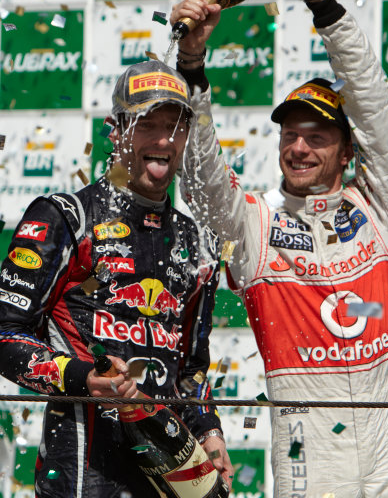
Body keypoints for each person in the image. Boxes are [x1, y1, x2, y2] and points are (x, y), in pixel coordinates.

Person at [169, 0, 388, 498]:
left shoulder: (377, 204)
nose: (300, 146)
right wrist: (193, 67)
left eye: (318, 135)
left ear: (346, 152)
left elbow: (374, 102)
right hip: (312, 463)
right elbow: (202, 177)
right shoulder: (255, 225)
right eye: (290, 134)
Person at [0, 60, 233, 498]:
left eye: (175, 126)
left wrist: (210, 433)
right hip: (81, 474)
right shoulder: (67, 217)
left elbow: (190, 370)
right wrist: (82, 376)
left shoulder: (199, 242)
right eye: (148, 124)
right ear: (115, 130)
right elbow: (5, 334)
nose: (163, 139)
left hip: (168, 473)